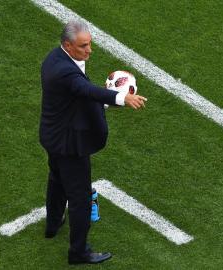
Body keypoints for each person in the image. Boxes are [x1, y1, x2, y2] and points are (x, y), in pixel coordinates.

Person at [39, 20, 147, 265]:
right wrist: (122, 98)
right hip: (69, 144)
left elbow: (77, 93)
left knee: (56, 179)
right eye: (83, 46)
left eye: (90, 44)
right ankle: (78, 252)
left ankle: (53, 224)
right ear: (68, 45)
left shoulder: (54, 58)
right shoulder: (65, 72)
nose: (90, 50)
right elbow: (85, 90)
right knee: (80, 199)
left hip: (52, 136)